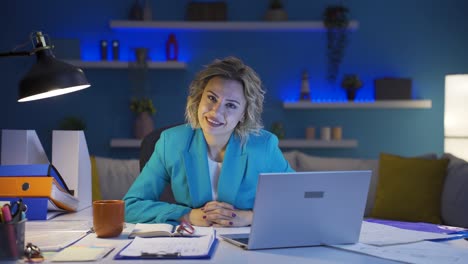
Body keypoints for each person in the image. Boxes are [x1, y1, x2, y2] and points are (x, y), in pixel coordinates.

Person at [124, 56, 294, 227]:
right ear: (199, 98)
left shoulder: (264, 146)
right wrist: (186, 215)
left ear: (244, 113)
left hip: (244, 244)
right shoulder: (171, 142)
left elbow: (298, 201)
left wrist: (250, 217)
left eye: (231, 105)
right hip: (191, 243)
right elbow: (130, 206)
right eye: (212, 98)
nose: (216, 112)